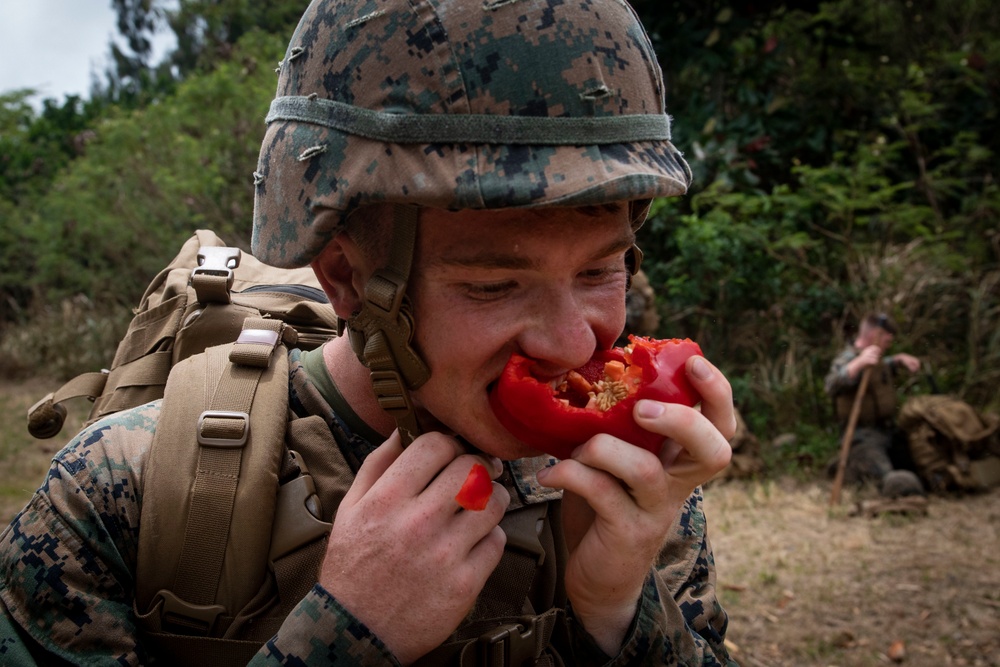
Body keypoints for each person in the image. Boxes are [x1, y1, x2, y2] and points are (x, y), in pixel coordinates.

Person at [0, 0, 738, 664]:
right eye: (493, 284)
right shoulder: (117, 487)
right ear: (347, 278)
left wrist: (618, 608)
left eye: (600, 272)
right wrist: (339, 637)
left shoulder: (626, 488)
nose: (576, 344)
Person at [824, 312, 922, 489]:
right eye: (886, 338)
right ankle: (851, 465)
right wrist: (858, 364)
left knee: (920, 465)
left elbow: (882, 365)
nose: (889, 342)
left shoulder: (876, 357)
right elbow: (831, 385)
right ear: (874, 335)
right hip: (862, 436)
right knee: (889, 480)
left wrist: (898, 359)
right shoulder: (848, 358)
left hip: (888, 431)